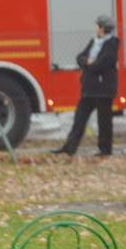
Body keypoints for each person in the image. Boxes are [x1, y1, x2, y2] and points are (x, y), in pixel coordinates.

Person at [51, 15, 119, 157]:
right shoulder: (93, 41)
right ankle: (69, 148)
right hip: (88, 89)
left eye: (97, 25)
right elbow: (80, 57)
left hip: (104, 89)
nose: (95, 27)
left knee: (104, 121)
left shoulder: (112, 44)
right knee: (79, 119)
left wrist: (89, 63)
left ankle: (105, 150)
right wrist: (87, 62)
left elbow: (102, 64)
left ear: (102, 27)